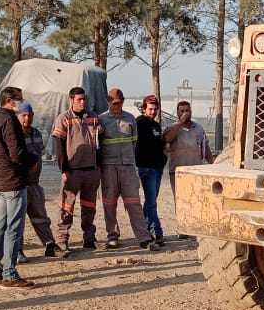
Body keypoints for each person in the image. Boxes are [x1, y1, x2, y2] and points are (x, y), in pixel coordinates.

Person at [0, 86, 38, 288]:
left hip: (1, 180)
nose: (22, 102)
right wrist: (32, 160)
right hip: (14, 180)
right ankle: (10, 273)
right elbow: (17, 153)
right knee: (13, 229)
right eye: (20, 99)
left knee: (0, 225)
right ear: (11, 101)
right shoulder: (9, 121)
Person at [99, 89, 158, 250]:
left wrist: (129, 160)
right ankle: (112, 236)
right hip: (109, 167)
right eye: (114, 103)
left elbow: (134, 142)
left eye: (120, 102)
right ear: (109, 102)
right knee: (109, 203)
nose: (117, 106)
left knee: (134, 203)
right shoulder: (101, 120)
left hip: (128, 168)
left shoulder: (130, 118)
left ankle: (143, 237)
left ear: (123, 101)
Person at [51, 86, 102, 256]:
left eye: (84, 99)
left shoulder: (93, 117)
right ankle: (62, 240)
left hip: (92, 169)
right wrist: (64, 169)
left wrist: (99, 166)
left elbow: (99, 143)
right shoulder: (63, 118)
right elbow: (58, 145)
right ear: (71, 100)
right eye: (79, 99)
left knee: (89, 207)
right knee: (67, 207)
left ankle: (89, 239)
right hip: (73, 171)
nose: (82, 102)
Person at [164, 100, 213, 241]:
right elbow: (167, 138)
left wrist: (211, 162)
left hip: (195, 171)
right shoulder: (171, 128)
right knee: (180, 200)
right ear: (177, 112)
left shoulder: (198, 128)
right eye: (182, 111)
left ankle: (194, 227)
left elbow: (205, 147)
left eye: (187, 110)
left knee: (196, 199)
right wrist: (180, 123)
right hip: (178, 172)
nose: (185, 113)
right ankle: (182, 228)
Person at [15, 101, 59, 259]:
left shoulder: (37, 134)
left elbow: (40, 154)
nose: (27, 118)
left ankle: (49, 244)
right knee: (18, 220)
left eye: (30, 115)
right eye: (24, 115)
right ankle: (17, 250)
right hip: (20, 185)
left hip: (35, 184)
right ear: (17, 116)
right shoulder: (15, 135)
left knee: (40, 216)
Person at [134, 94, 168, 246]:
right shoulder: (139, 123)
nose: (153, 112)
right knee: (151, 202)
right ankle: (157, 231)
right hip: (146, 168)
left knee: (150, 201)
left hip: (157, 167)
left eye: (155, 109)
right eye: (150, 109)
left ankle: (144, 230)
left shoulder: (155, 125)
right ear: (143, 109)